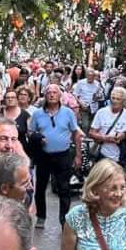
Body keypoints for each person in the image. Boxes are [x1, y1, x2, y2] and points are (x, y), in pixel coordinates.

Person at [32, 84, 84, 226]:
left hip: (63, 155)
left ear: (60, 95)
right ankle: (41, 216)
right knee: (40, 187)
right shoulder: (37, 114)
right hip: (44, 156)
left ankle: (64, 219)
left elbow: (76, 133)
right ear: (45, 95)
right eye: (49, 92)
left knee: (64, 188)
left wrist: (78, 155)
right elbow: (31, 132)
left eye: (55, 92)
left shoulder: (68, 113)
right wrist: (38, 138)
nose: (52, 95)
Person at [89, 87, 126, 164]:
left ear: (123, 101)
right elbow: (91, 133)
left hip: (122, 157)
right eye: (113, 98)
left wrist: (124, 135)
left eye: (118, 99)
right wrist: (105, 137)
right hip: (104, 155)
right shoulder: (101, 112)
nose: (114, 101)